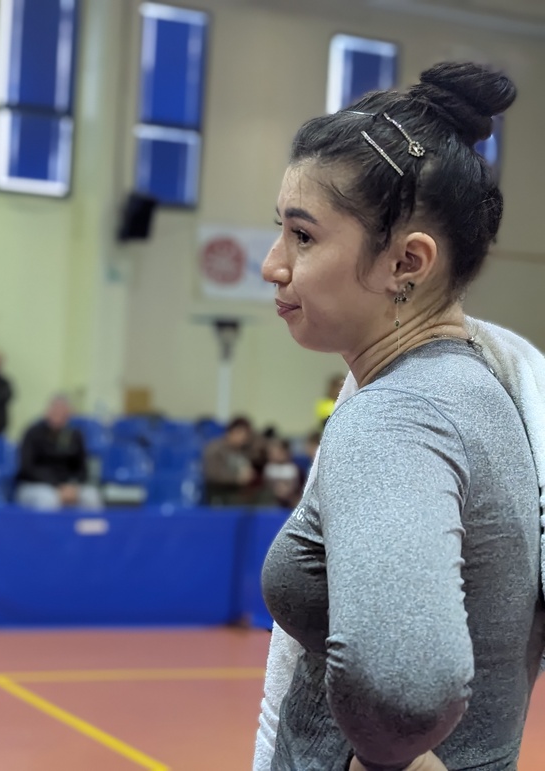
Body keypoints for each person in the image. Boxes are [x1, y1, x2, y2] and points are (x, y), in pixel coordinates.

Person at [255, 63, 545, 771]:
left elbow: (402, 686)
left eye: (303, 237)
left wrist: (391, 758)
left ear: (406, 262)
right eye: (279, 231)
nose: (272, 264)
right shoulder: (478, 387)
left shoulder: (399, 415)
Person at [15, 395, 102, 511]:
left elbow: (82, 469)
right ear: (47, 412)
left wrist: (72, 486)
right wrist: (56, 485)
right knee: (48, 499)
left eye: (62, 412)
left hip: (68, 486)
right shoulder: (33, 433)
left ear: (69, 415)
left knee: (91, 496)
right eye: (55, 411)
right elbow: (27, 468)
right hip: (36, 485)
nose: (58, 415)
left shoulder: (75, 436)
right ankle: (49, 525)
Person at [202, 415, 256, 505]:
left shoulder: (243, 451)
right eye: (240, 433)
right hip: (220, 494)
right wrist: (236, 478)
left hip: (237, 494)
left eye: (246, 435)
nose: (243, 438)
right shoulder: (215, 448)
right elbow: (212, 474)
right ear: (230, 432)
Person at [260, 438, 302, 509]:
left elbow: (298, 487)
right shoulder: (268, 468)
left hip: (291, 500)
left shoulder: (293, 469)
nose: (275, 455)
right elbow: (265, 486)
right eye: (272, 453)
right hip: (272, 500)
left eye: (278, 452)